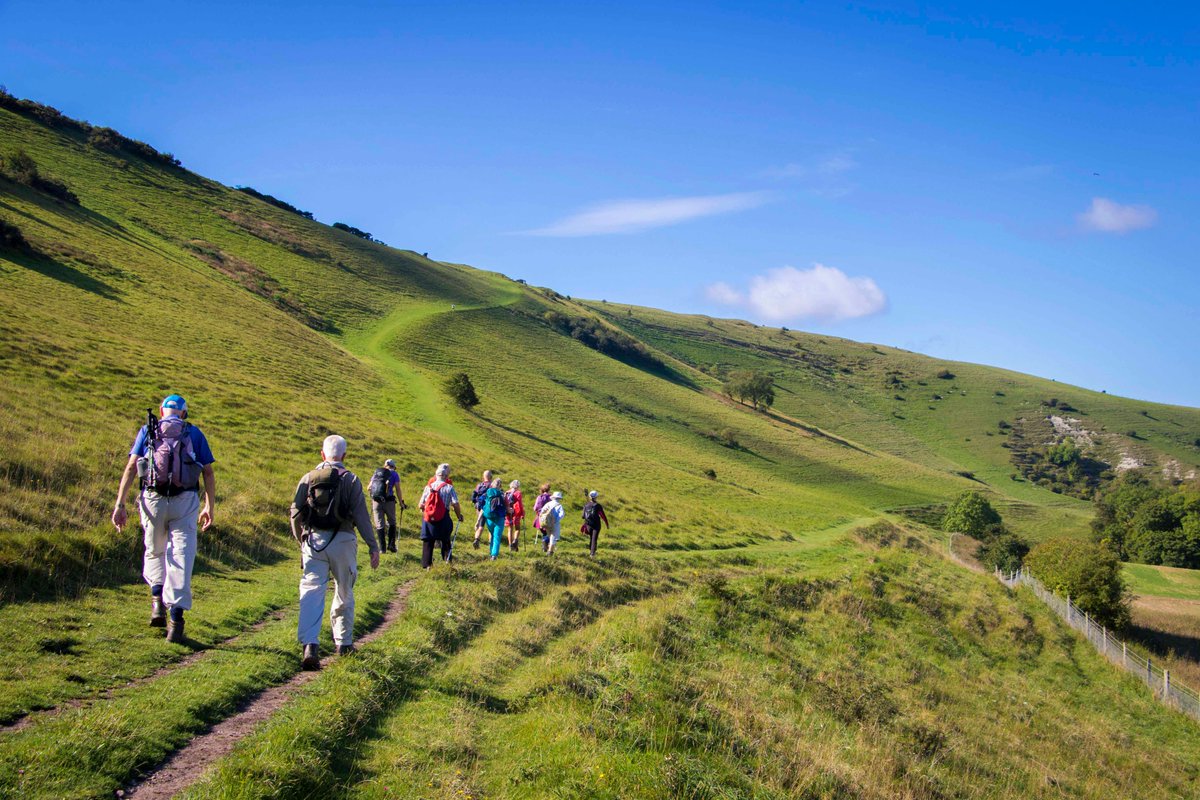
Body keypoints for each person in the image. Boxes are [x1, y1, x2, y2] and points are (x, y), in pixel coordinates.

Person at [112, 394, 216, 643]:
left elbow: (131, 467)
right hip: (185, 500)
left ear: (161, 411)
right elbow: (208, 472)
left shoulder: (148, 430)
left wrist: (120, 504)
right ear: (184, 413)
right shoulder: (194, 433)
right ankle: (176, 621)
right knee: (181, 555)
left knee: (154, 550)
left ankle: (157, 601)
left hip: (153, 499)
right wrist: (209, 507)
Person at [289, 435, 380, 670]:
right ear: (344, 456)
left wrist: (301, 539)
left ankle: (310, 645)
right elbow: (361, 516)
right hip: (343, 540)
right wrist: (373, 546)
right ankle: (344, 643)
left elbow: (295, 512)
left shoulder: (308, 477)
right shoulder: (351, 479)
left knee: (311, 591)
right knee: (344, 590)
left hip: (313, 541)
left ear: (322, 454)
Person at [418, 463, 465, 568]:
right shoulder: (449, 487)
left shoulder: (428, 487)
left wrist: (426, 511)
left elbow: (420, 505)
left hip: (429, 519)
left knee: (428, 541)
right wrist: (459, 515)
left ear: (436, 475)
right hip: (443, 517)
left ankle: (427, 565)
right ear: (446, 476)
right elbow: (455, 503)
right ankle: (447, 563)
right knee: (445, 540)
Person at [368, 458, 405, 554]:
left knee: (379, 524)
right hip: (389, 501)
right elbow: (398, 489)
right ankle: (391, 545)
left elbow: (369, 487)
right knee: (392, 522)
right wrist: (401, 503)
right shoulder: (394, 474)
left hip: (376, 501)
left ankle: (382, 549)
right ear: (394, 467)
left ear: (385, 465)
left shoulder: (377, 473)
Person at [481, 477, 508, 560]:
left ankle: (491, 553)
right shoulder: (502, 495)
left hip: (489, 518)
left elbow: (481, 503)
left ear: (492, 485)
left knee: (492, 535)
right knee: (497, 536)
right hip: (499, 518)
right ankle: (494, 555)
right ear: (500, 486)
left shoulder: (487, 493)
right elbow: (507, 507)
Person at [581, 490, 610, 557]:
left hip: (588, 525)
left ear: (589, 496)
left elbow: (583, 516)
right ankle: (592, 554)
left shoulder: (586, 505)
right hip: (596, 525)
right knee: (594, 539)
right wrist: (607, 524)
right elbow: (603, 516)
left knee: (591, 538)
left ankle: (591, 550)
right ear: (596, 497)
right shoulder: (598, 505)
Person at [470, 469, 494, 549]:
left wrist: (476, 503)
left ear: (483, 477)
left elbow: (473, 496)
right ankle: (491, 543)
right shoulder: (492, 485)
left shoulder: (479, 485)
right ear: (491, 477)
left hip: (479, 507)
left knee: (480, 525)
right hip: (489, 508)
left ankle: (476, 539)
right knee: (491, 527)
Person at [504, 479, 524, 551]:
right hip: (516, 513)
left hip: (508, 513)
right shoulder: (518, 493)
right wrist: (522, 513)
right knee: (517, 528)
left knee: (510, 529)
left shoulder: (506, 492)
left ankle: (510, 546)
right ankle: (515, 540)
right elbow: (520, 504)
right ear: (518, 486)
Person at [532, 483, 552, 552]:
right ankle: (545, 543)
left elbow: (535, 508)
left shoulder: (539, 497)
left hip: (540, 518)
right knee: (549, 533)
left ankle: (544, 546)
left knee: (544, 532)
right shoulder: (551, 498)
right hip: (549, 518)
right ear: (549, 489)